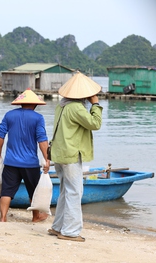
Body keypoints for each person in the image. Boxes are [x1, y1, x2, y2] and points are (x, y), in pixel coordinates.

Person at [47, 71, 103, 242]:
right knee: (74, 192)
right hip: (70, 155)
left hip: (59, 153)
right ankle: (70, 231)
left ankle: (58, 227)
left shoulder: (62, 105)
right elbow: (95, 123)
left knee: (65, 191)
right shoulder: (76, 108)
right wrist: (96, 104)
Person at [0, 89, 50, 223]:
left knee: (7, 190)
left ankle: (3, 217)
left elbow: (0, 136)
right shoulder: (38, 118)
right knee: (33, 191)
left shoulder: (9, 115)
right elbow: (42, 140)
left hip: (10, 162)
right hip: (30, 163)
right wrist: (47, 158)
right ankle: (35, 217)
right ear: (35, 104)